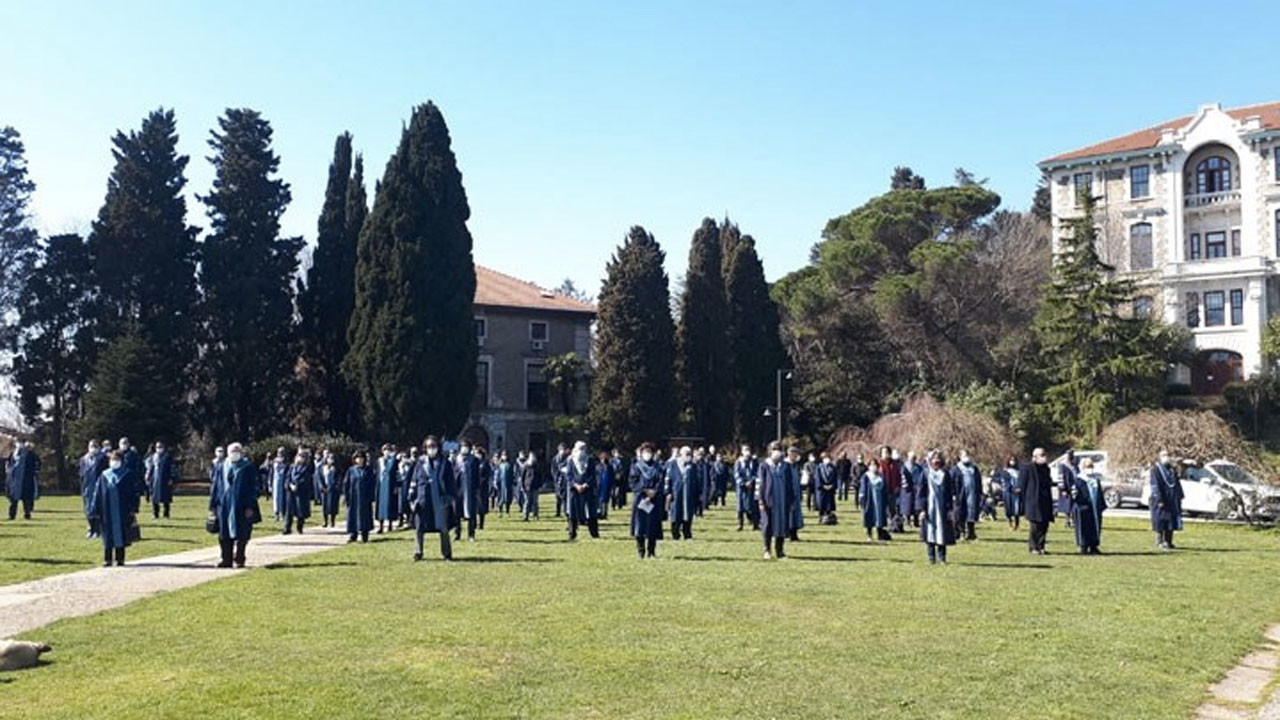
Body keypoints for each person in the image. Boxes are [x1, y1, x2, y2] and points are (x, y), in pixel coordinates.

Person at [209, 442, 260, 568]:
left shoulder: (247, 467)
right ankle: (226, 559)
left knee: (242, 533)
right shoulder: (221, 466)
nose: (235, 454)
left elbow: (253, 488)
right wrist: (213, 506)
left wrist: (250, 506)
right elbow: (216, 486)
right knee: (224, 534)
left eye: (237, 451)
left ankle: (240, 558)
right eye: (232, 451)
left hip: (241, 505)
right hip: (224, 505)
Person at [410, 436, 455, 561]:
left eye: (433, 446)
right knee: (419, 528)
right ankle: (418, 552)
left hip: (440, 500)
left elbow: (450, 482)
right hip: (423, 499)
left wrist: (449, 498)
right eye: (429, 447)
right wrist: (412, 498)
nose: (431, 449)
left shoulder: (445, 463)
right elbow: (414, 480)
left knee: (443, 528)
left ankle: (446, 553)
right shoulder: (420, 462)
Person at [89, 451, 137, 567]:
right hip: (106, 510)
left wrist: (133, 508)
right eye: (112, 460)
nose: (114, 462)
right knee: (107, 534)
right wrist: (95, 508)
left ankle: (120, 559)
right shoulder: (104, 475)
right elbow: (98, 493)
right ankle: (107, 559)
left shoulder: (127, 475)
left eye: (116, 460)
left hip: (122, 510)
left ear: (121, 461)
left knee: (121, 533)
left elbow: (133, 493)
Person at [916, 451, 957, 564]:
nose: (936, 461)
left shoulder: (946, 474)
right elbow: (921, 493)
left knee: (942, 533)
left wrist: (950, 510)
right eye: (934, 459)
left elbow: (949, 493)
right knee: (930, 533)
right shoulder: (925, 474)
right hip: (929, 509)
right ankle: (931, 557)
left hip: (942, 509)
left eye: (938, 459)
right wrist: (922, 509)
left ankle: (942, 557)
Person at [757, 442, 796, 559]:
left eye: (778, 449)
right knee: (767, 524)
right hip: (768, 500)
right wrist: (760, 500)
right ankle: (767, 550)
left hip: (782, 500)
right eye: (774, 449)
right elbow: (760, 484)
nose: (776, 451)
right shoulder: (764, 466)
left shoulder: (786, 467)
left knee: (781, 525)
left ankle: (780, 550)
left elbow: (790, 485)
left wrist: (792, 500)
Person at [629, 442, 665, 558]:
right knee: (640, 526)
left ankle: (651, 551)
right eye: (645, 452)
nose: (647, 454)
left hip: (654, 500)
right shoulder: (636, 466)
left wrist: (654, 492)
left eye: (649, 452)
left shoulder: (658, 467)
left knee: (653, 526)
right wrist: (644, 490)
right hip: (641, 499)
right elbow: (633, 482)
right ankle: (641, 550)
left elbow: (661, 481)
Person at [1020, 447, 1054, 555]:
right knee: (1035, 526)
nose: (1044, 457)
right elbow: (1022, 485)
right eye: (1042, 455)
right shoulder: (1028, 468)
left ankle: (1041, 546)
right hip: (1033, 501)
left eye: (1044, 454)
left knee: (1044, 525)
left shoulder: (1046, 469)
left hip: (1045, 500)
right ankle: (1033, 547)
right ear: (1035, 457)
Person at [563, 441, 600, 540]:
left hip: (587, 489)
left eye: (583, 448)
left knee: (591, 511)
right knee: (573, 511)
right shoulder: (571, 461)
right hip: (574, 490)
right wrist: (575, 485)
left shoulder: (590, 460)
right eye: (579, 448)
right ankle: (572, 532)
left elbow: (593, 475)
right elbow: (569, 475)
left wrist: (585, 485)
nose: (581, 451)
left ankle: (594, 533)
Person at [1149, 450, 1183, 550]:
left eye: (1168, 455)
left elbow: (1176, 483)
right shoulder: (1156, 470)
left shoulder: (1172, 470)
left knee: (1171, 521)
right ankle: (1159, 541)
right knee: (1160, 520)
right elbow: (1155, 485)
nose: (1167, 457)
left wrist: (1179, 495)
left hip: (1171, 499)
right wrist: (1159, 499)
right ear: (1160, 457)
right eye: (1164, 455)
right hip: (1161, 499)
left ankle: (1168, 541)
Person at [1072, 457, 1105, 555]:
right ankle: (1084, 546)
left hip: (1094, 507)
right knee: (1084, 527)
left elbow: (1099, 493)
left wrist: (1101, 506)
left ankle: (1094, 546)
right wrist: (1080, 503)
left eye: (1090, 466)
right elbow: (1075, 494)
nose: (1089, 469)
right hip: (1083, 507)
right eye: (1087, 467)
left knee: (1095, 526)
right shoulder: (1079, 480)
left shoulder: (1095, 480)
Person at [454, 441, 485, 542]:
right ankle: (457, 534)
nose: (465, 448)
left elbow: (477, 476)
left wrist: (477, 489)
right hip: (459, 490)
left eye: (467, 447)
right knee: (457, 513)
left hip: (471, 489)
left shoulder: (474, 460)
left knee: (472, 513)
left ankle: (471, 534)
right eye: (463, 446)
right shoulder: (456, 459)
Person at [666, 446, 699, 541]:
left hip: (688, 494)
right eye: (686, 454)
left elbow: (696, 481)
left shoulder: (692, 465)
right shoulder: (673, 464)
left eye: (689, 454)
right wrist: (668, 491)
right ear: (681, 454)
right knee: (675, 514)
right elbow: (668, 478)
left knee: (688, 515)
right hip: (676, 493)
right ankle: (675, 533)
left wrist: (697, 494)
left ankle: (687, 533)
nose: (688, 456)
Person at [344, 450, 376, 543]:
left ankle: (364, 535)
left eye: (361, 458)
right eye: (358, 458)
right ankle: (353, 535)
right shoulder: (351, 470)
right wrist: (346, 496)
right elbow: (346, 484)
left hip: (365, 498)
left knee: (364, 516)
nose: (360, 460)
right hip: (354, 497)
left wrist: (371, 496)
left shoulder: (368, 470)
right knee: (353, 516)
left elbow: (372, 484)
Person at [951, 450, 983, 541]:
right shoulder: (955, 469)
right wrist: (953, 494)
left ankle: (971, 533)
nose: (967, 457)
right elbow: (951, 483)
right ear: (960, 457)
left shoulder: (974, 469)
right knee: (960, 514)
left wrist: (980, 493)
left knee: (972, 513)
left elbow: (978, 481)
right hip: (960, 495)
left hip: (972, 495)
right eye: (964, 455)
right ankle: (961, 532)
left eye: (968, 455)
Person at [6, 440, 40, 520]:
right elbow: (9, 465)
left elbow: (37, 465)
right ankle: (22, 515)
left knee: (22, 499)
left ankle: (16, 515)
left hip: (22, 480)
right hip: (19, 480)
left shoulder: (30, 455)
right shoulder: (15, 454)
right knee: (22, 499)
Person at [858, 459, 890, 542]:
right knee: (869, 517)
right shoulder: (866, 477)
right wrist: (862, 501)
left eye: (875, 464)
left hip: (879, 500)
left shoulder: (881, 476)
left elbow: (885, 489)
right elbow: (862, 490)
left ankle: (880, 534)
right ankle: (869, 535)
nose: (873, 466)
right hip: (869, 500)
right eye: (871, 464)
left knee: (880, 517)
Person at [80, 441, 107, 538]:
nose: (93, 448)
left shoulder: (103, 458)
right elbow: (82, 474)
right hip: (87, 487)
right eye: (91, 446)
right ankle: (90, 528)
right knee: (88, 508)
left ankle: (97, 530)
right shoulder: (84, 459)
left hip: (98, 486)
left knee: (98, 508)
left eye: (95, 446)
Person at [284, 448, 314, 534]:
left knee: (300, 510)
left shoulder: (307, 467)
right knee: (289, 510)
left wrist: (297, 486)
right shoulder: (292, 466)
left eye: (302, 456)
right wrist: (289, 485)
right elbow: (288, 477)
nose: (300, 458)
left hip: (301, 492)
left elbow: (305, 479)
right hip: (291, 491)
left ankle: (299, 527)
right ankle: (287, 528)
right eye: (299, 456)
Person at [146, 441, 177, 519]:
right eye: (157, 447)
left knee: (166, 498)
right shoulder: (153, 457)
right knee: (154, 498)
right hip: (155, 480)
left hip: (165, 480)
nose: (159, 449)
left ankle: (166, 514)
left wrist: (171, 478)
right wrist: (148, 477)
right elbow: (150, 468)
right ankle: (155, 514)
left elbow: (172, 469)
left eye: (160, 447)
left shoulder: (168, 457)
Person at [374, 444, 398, 534]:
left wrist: (396, 485)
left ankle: (390, 525)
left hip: (390, 485)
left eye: (388, 449)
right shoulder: (379, 461)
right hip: (381, 486)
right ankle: (381, 525)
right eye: (385, 449)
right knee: (381, 506)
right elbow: (377, 473)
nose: (386, 451)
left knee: (390, 504)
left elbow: (397, 474)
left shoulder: (394, 461)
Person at [734, 445, 760, 531]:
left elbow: (757, 473)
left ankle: (755, 524)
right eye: (745, 450)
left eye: (748, 450)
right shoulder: (738, 462)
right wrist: (743, 483)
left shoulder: (754, 462)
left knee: (753, 507)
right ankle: (740, 524)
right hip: (742, 488)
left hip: (752, 488)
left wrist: (751, 481)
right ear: (742, 451)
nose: (747, 452)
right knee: (740, 507)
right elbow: (736, 474)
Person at [898, 451, 923, 530]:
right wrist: (905, 486)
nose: (913, 459)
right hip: (907, 489)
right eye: (911, 458)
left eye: (914, 458)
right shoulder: (904, 466)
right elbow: (902, 476)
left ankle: (916, 522)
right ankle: (907, 521)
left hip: (916, 488)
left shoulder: (918, 467)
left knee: (916, 506)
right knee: (907, 507)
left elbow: (921, 476)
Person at [785, 447, 805, 541]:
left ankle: (795, 533)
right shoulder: (785, 465)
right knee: (789, 514)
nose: (796, 456)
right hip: (788, 493)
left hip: (796, 492)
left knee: (796, 514)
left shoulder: (796, 466)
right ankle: (788, 533)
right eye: (795, 454)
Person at [998, 456, 1023, 531]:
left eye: (1014, 460)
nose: (1013, 462)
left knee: (1017, 510)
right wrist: (1012, 489)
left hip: (1018, 493)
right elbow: (1005, 482)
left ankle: (1017, 524)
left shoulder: (1019, 471)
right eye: (1011, 460)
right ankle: (1010, 523)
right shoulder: (1005, 471)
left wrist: (1020, 488)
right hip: (1008, 492)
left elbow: (1022, 480)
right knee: (1009, 509)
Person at [317, 451, 341, 527]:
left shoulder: (337, 468)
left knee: (333, 505)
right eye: (329, 458)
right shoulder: (321, 468)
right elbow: (319, 478)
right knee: (325, 506)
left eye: (332, 458)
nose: (330, 460)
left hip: (333, 489)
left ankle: (332, 521)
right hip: (324, 489)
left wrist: (336, 486)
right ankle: (325, 521)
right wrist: (322, 486)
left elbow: (339, 478)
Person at [119, 438, 142, 514]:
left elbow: (138, 467)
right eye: (122, 443)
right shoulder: (117, 454)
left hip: (131, 480)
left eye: (125, 443)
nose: (124, 445)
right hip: (120, 480)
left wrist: (137, 479)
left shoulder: (133, 455)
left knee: (132, 499)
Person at [1056, 449, 1078, 527]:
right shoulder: (1063, 466)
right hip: (1066, 488)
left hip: (1074, 487)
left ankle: (1074, 520)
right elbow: (1061, 478)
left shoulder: (1074, 465)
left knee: (1074, 505)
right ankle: (1067, 520)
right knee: (1067, 506)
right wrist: (1062, 489)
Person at [814, 453, 838, 523]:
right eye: (826, 458)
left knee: (829, 504)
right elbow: (817, 478)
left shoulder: (833, 467)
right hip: (822, 489)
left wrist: (832, 485)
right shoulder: (819, 467)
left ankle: (829, 518)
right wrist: (822, 486)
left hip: (830, 489)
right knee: (821, 504)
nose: (827, 460)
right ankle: (821, 517)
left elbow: (835, 477)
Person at [521, 450, 544, 521]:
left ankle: (535, 515)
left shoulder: (537, 466)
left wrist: (540, 485)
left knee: (535, 502)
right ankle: (525, 516)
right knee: (527, 502)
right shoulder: (526, 466)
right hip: (527, 486)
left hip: (535, 486)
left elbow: (540, 476)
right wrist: (522, 486)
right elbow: (523, 477)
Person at [269, 448, 289, 521]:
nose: (280, 454)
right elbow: (271, 473)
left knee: (283, 498)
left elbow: (287, 473)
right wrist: (270, 483)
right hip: (275, 481)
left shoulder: (286, 463)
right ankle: (276, 514)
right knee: (276, 498)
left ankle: (282, 514)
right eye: (279, 452)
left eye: (282, 452)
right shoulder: (274, 462)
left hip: (283, 482)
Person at [496, 452, 517, 516]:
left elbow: (513, 473)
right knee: (501, 497)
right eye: (503, 455)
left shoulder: (510, 464)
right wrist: (496, 482)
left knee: (508, 498)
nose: (505, 457)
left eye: (506, 455)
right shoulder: (500, 465)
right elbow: (497, 474)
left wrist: (513, 481)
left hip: (508, 484)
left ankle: (507, 511)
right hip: (501, 484)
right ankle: (500, 511)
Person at [596, 450, 614, 520]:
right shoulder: (598, 467)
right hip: (599, 485)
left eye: (604, 459)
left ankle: (604, 513)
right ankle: (599, 513)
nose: (603, 460)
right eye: (602, 459)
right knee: (598, 500)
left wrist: (612, 485)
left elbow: (612, 476)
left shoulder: (609, 467)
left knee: (605, 500)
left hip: (607, 485)